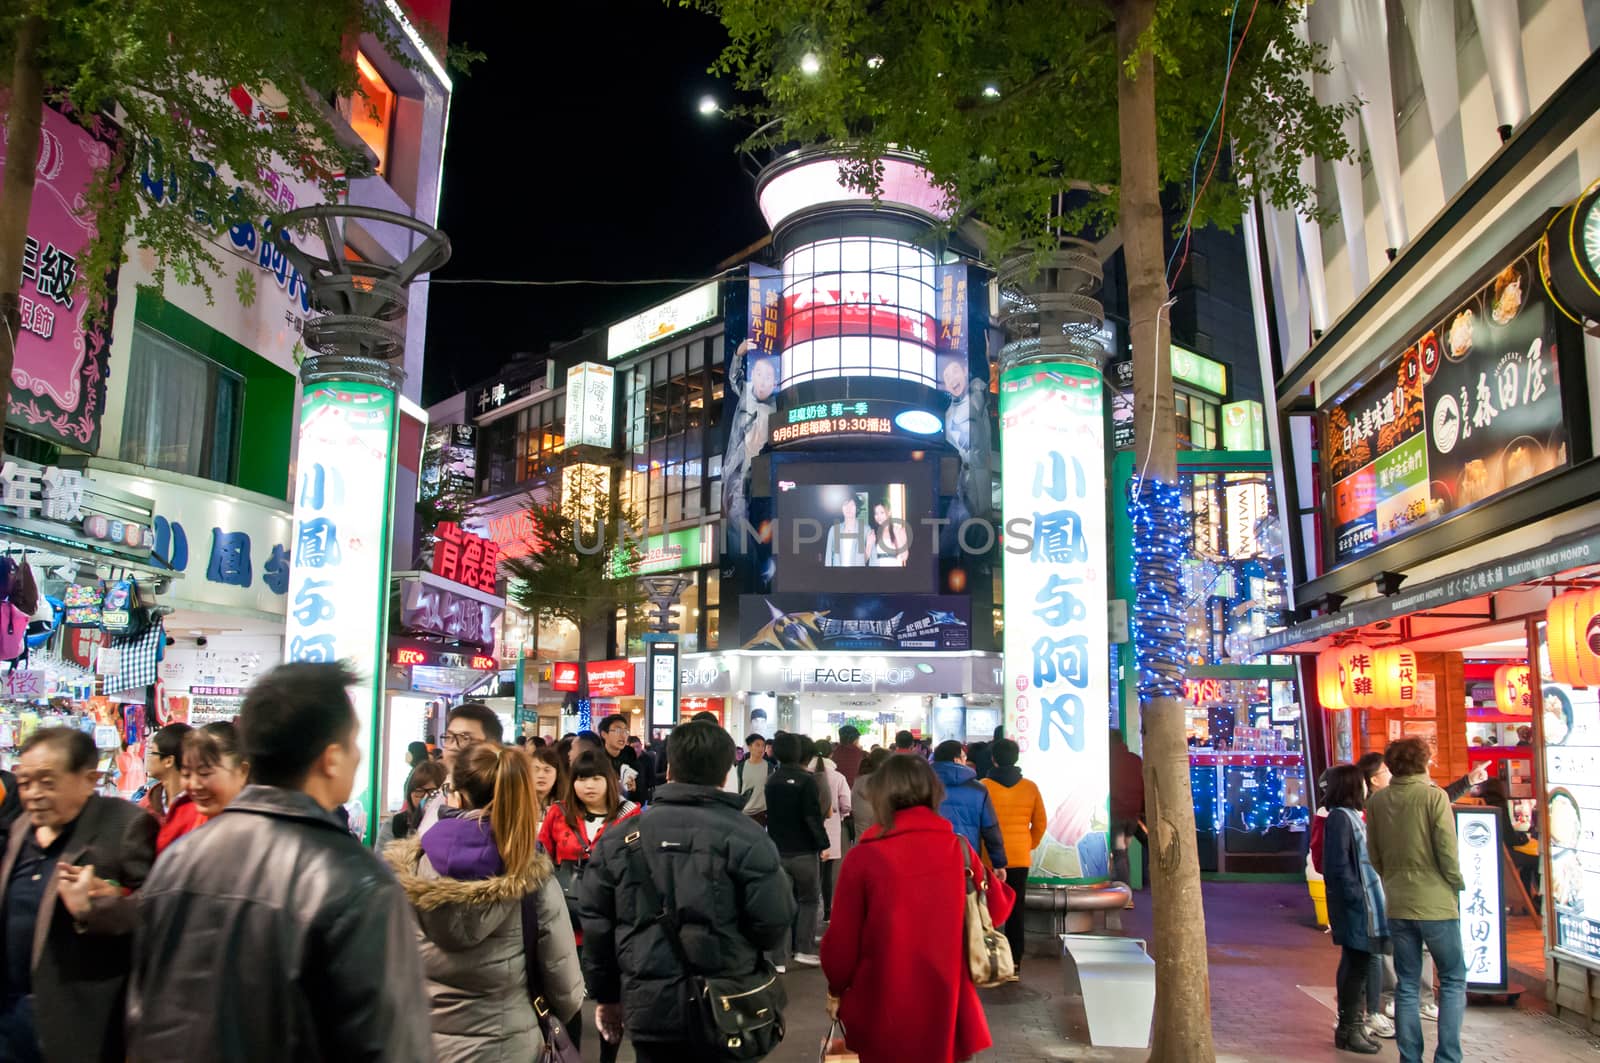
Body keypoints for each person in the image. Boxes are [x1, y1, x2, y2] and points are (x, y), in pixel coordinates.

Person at [127, 662, 432, 1061]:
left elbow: (143, 1012)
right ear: (332, 757)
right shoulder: (357, 883)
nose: (359, 756)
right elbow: (390, 1047)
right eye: (354, 742)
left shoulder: (180, 858)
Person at [578, 720, 794, 1061]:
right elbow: (773, 922)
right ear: (726, 773)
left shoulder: (621, 838)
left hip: (649, 1008)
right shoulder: (749, 837)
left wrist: (606, 996)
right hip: (729, 1005)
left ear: (669, 767)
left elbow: (597, 926)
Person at [387, 743, 583, 1062]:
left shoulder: (413, 867)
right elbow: (567, 990)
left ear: (458, 795)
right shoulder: (530, 872)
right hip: (510, 1046)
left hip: (424, 1044)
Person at [821, 754, 1005, 1063]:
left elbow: (841, 944)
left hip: (883, 1005)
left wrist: (836, 989)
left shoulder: (864, 857)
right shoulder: (959, 849)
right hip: (950, 1005)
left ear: (881, 796)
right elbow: (996, 910)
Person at [0, 728, 155, 1063]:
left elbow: (158, 912)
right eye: (25, 782)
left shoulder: (126, 825)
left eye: (47, 781)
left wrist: (97, 909)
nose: (33, 794)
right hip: (11, 1016)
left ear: (88, 779)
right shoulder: (21, 828)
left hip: (80, 1023)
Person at [1365, 738, 1467, 1063]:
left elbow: (1374, 854)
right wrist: (1457, 883)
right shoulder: (1434, 797)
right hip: (1436, 902)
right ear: (1424, 761)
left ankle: (1410, 1057)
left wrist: (1392, 879)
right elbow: (1447, 852)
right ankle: (1448, 1056)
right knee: (1451, 978)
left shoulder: (1378, 802)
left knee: (1406, 983)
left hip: (1397, 901)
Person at [1321, 764, 1388, 1054]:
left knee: (1357, 965)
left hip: (1362, 904)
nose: (1365, 788)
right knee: (1355, 966)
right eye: (1361, 783)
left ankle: (1353, 1028)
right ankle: (1350, 1027)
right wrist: (1355, 899)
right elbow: (1337, 866)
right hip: (1357, 906)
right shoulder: (1340, 818)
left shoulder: (1351, 817)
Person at [982, 738, 1046, 975]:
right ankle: (1015, 962)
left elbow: (982, 823)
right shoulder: (1030, 787)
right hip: (1019, 858)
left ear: (993, 759)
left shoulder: (984, 786)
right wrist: (1027, 844)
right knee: (1017, 910)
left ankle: (990, 960)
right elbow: (1040, 823)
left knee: (989, 909)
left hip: (990, 858)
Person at [765, 732, 828, 970]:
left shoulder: (772, 780)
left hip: (778, 849)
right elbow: (811, 817)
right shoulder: (807, 780)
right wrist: (822, 843)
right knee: (809, 900)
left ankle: (778, 958)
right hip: (804, 851)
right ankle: (802, 948)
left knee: (782, 902)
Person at [418, 702, 506, 835]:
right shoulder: (444, 788)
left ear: (491, 747)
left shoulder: (498, 800)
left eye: (465, 738)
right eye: (449, 737)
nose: (453, 746)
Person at [165, 722, 250, 853]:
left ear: (242, 771)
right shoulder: (182, 816)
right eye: (186, 774)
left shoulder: (260, 833)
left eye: (204, 773)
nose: (193, 785)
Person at [930, 740, 1007, 868]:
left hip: (932, 858)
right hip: (968, 859)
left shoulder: (923, 786)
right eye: (964, 757)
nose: (966, 760)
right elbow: (990, 829)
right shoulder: (978, 789)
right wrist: (999, 863)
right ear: (957, 760)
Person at [141, 723, 204, 854]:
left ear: (168, 761)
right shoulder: (148, 803)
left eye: (152, 752)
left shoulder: (201, 809)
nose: (149, 758)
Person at [812, 739, 852, 920]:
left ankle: (809, 911)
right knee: (828, 874)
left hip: (810, 829)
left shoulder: (807, 774)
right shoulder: (838, 777)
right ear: (831, 754)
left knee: (813, 872)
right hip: (832, 829)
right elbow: (846, 804)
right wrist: (841, 815)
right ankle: (827, 912)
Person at [1480, 778, 1539, 900]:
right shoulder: (1499, 805)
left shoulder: (1483, 802)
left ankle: (1527, 898)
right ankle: (1534, 897)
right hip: (1504, 855)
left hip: (1489, 853)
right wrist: (1523, 839)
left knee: (1528, 864)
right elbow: (1509, 837)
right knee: (1536, 861)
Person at [1110, 730, 1147, 886]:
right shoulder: (1135, 760)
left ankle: (1125, 892)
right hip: (1133, 816)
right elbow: (1144, 786)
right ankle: (1125, 890)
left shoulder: (1107, 761)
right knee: (1123, 852)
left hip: (1116, 814)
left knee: (1120, 854)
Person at [387, 760, 447, 843]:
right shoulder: (395, 823)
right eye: (419, 792)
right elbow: (382, 854)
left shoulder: (449, 826)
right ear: (409, 794)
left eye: (432, 792)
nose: (425, 798)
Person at [728, 732, 772, 825]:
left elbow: (771, 790)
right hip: (744, 812)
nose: (761, 748)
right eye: (757, 745)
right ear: (749, 747)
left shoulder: (769, 767)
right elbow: (738, 789)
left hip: (762, 813)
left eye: (763, 746)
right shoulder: (741, 766)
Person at [850, 748, 891, 836]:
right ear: (882, 764)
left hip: (862, 837)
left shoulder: (860, 779)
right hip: (877, 836)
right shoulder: (879, 782)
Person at [598, 715, 640, 799]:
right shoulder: (596, 757)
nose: (623, 735)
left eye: (625, 731)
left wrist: (635, 788)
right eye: (618, 730)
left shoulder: (629, 753)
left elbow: (640, 784)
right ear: (604, 734)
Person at [825, 494, 869, 567]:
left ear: (857, 508)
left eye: (852, 505)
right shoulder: (834, 530)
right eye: (845, 505)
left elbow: (870, 560)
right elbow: (828, 557)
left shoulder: (866, 530)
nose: (849, 508)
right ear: (841, 508)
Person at [529, 744, 568, 817]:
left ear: (557, 773)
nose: (541, 775)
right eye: (536, 769)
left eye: (547, 770)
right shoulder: (520, 802)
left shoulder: (565, 806)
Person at [866, 501, 907, 566]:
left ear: (889, 512)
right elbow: (865, 558)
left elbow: (904, 556)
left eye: (882, 513)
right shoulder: (873, 533)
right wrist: (868, 544)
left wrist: (897, 536)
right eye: (876, 513)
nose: (879, 516)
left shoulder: (899, 530)